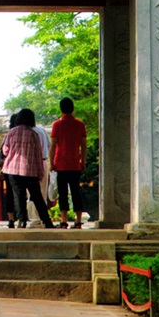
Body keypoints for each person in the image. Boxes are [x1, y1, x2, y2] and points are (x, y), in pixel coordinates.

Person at [1, 107, 56, 229]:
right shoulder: (34, 134)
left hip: (12, 169)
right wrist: (41, 172)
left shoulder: (11, 132)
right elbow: (38, 155)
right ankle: (47, 221)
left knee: (18, 196)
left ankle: (22, 221)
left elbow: (5, 150)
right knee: (37, 197)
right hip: (30, 170)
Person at [49, 97, 87, 227]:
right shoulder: (80, 124)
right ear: (73, 108)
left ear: (61, 109)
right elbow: (83, 144)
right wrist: (83, 160)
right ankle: (78, 220)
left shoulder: (57, 125)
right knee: (76, 191)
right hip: (75, 163)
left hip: (61, 163)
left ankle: (64, 221)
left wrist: (51, 162)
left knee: (63, 192)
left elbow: (53, 145)